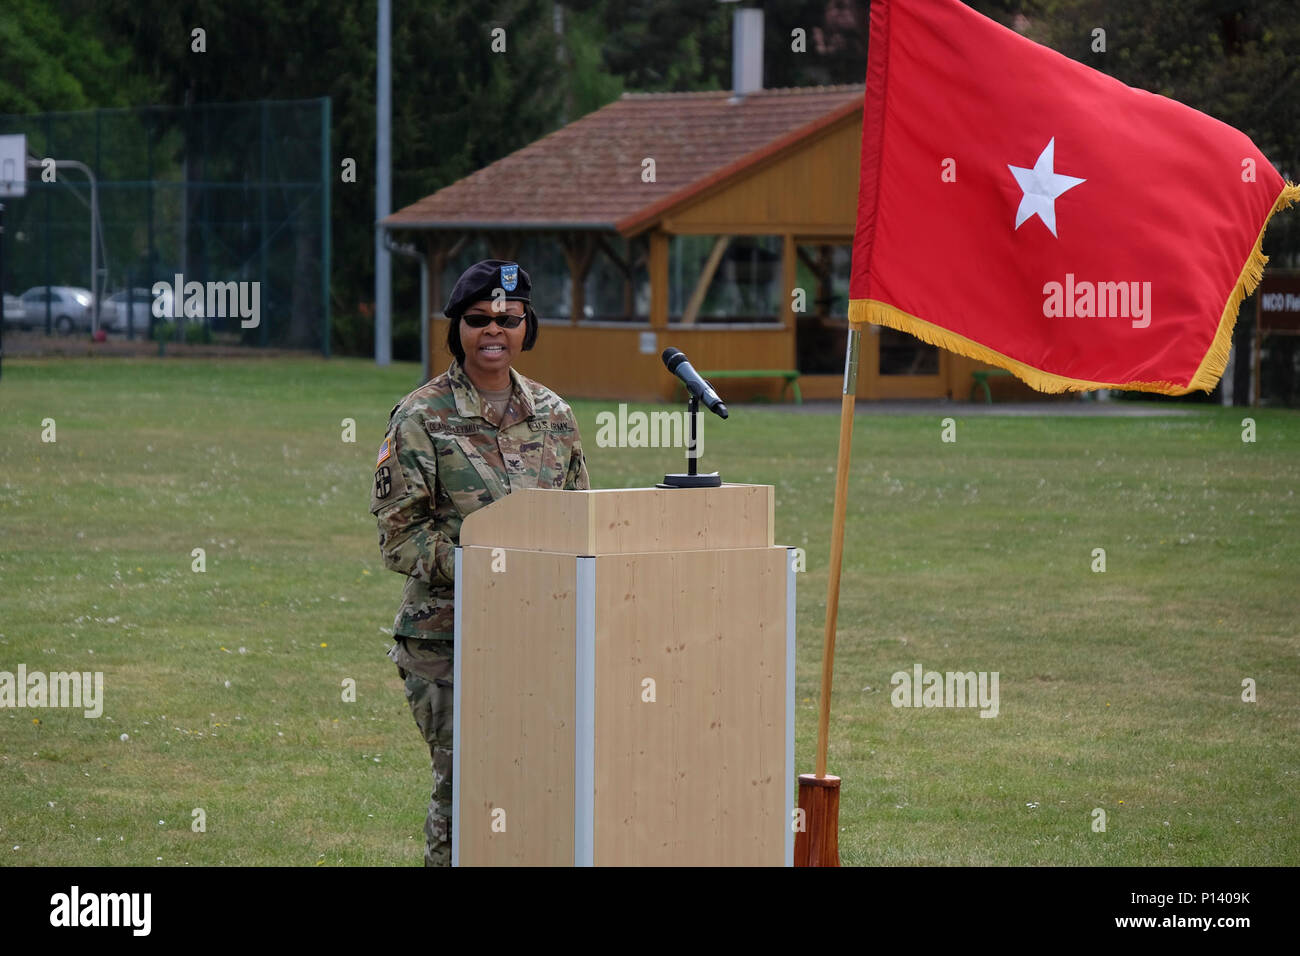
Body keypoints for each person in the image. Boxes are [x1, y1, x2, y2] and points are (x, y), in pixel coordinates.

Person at [370, 259, 589, 866]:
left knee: (538, 782)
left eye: (508, 320)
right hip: (447, 640)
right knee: (465, 784)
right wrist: (487, 564)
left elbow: (579, 520)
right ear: (457, 328)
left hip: (536, 634)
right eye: (478, 320)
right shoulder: (421, 416)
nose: (494, 332)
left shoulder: (555, 416)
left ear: (527, 327)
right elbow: (400, 538)